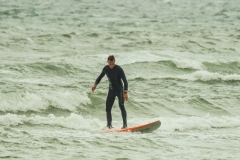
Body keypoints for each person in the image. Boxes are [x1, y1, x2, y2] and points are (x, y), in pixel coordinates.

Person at [92, 55, 128, 129]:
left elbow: (125, 81)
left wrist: (125, 93)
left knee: (121, 106)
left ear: (114, 61)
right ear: (107, 62)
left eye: (112, 64)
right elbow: (100, 77)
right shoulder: (106, 69)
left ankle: (125, 125)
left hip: (119, 90)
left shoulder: (119, 69)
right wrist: (95, 85)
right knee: (108, 108)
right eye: (110, 64)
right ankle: (109, 125)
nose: (111, 65)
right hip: (111, 90)